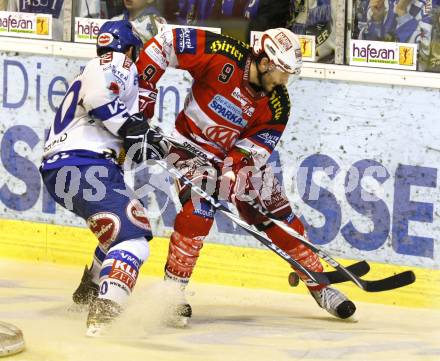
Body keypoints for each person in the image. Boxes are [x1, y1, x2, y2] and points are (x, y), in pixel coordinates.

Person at [134, 27, 356, 325]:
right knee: (199, 211)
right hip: (188, 147)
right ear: (264, 62)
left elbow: (257, 148)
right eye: (281, 72)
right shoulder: (222, 54)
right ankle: (173, 293)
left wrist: (232, 172)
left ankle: (320, 286)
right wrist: (145, 89)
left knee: (278, 217)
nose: (284, 81)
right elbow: (165, 43)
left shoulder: (279, 104)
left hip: (234, 158)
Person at [40, 20, 155, 336]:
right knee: (133, 239)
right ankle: (102, 319)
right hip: (84, 165)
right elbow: (99, 99)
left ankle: (89, 292)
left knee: (118, 231)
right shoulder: (119, 61)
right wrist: (131, 127)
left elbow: (114, 124)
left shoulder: (93, 66)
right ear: (130, 48)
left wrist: (141, 140)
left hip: (65, 167)